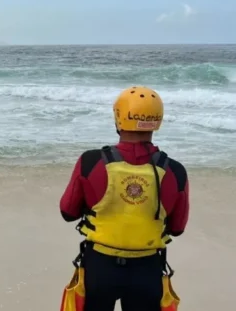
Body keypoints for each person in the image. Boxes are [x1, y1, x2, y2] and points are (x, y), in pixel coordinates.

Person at [59, 85, 190, 311]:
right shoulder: (175, 171)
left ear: (119, 117)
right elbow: (177, 228)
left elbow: (68, 212)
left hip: (99, 268)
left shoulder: (91, 162)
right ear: (157, 120)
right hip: (147, 270)